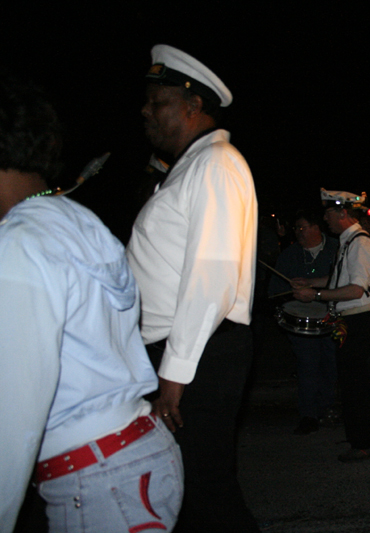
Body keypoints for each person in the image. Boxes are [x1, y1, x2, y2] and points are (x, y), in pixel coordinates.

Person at [0, 76, 183, 532]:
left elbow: (15, 407)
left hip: (101, 478)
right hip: (135, 453)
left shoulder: (20, 243)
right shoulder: (78, 220)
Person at [126, 45, 259, 532]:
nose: (146, 111)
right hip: (185, 351)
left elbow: (211, 279)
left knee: (205, 492)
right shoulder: (190, 166)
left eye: (156, 101)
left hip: (199, 354)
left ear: (192, 105)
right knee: (184, 495)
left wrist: (174, 376)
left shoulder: (216, 165)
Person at [292, 189, 370, 462]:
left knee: (353, 387)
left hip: (361, 320)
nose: (325, 218)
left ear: (343, 213)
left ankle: (364, 443)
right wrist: (311, 282)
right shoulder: (348, 241)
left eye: (329, 213)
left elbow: (355, 290)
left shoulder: (360, 244)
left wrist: (315, 296)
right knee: (357, 381)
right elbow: (339, 278)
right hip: (352, 320)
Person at [269, 209, 339, 434]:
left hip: (333, 317)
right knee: (308, 366)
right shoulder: (289, 255)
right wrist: (290, 290)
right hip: (301, 322)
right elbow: (274, 291)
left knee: (332, 364)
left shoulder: (337, 249)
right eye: (296, 229)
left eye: (302, 227)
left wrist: (314, 286)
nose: (298, 232)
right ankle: (308, 415)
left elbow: (347, 280)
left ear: (317, 227)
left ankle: (328, 407)